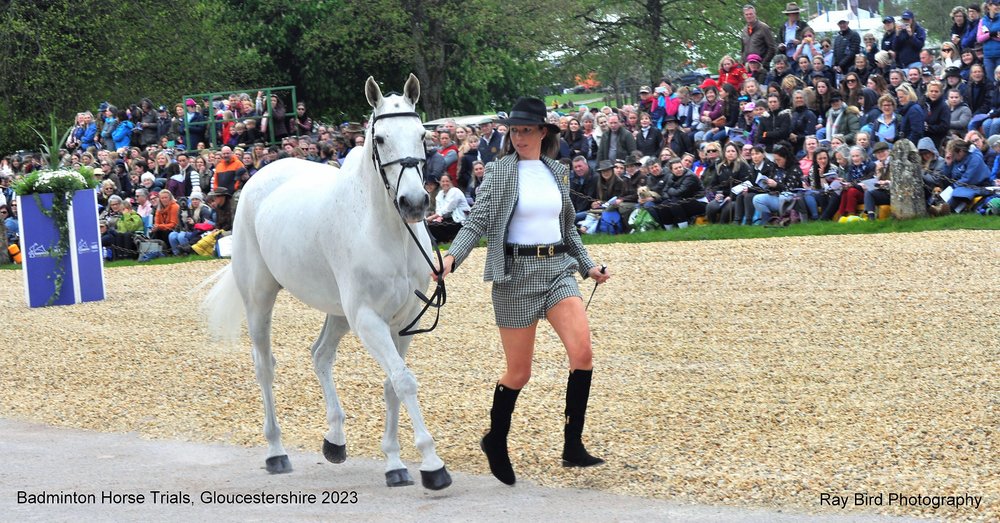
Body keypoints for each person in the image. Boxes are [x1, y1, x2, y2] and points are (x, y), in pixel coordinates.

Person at [437, 97, 611, 486]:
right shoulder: (499, 172)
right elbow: (477, 221)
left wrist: (588, 267)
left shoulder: (557, 171)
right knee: (519, 372)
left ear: (543, 132)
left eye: (526, 129)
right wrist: (452, 259)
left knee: (582, 352)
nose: (518, 136)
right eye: (514, 130)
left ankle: (573, 446)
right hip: (514, 276)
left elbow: (568, 230)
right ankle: (495, 440)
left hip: (558, 270)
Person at [943, 138, 994, 212]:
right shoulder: (956, 159)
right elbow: (946, 179)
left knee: (958, 193)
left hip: (979, 185)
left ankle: (946, 210)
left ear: (960, 152)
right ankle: (940, 208)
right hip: (961, 185)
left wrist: (954, 186)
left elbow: (968, 178)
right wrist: (948, 164)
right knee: (950, 191)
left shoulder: (975, 158)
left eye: (953, 155)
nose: (953, 158)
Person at [425, 174, 470, 243]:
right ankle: (444, 240)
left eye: (447, 181)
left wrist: (431, 217)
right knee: (430, 226)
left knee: (434, 224)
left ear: (451, 182)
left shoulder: (455, 191)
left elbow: (447, 208)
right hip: (446, 219)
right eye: (443, 181)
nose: (445, 183)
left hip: (459, 220)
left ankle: (448, 239)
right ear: (440, 182)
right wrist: (436, 218)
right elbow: (439, 210)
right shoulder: (440, 194)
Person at [740, 5, 777, 70]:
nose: (749, 16)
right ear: (744, 16)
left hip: (761, 68)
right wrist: (743, 63)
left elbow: (772, 48)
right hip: (747, 68)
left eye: (751, 14)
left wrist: (763, 63)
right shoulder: (744, 30)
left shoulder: (764, 28)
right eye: (747, 14)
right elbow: (743, 50)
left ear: (755, 14)